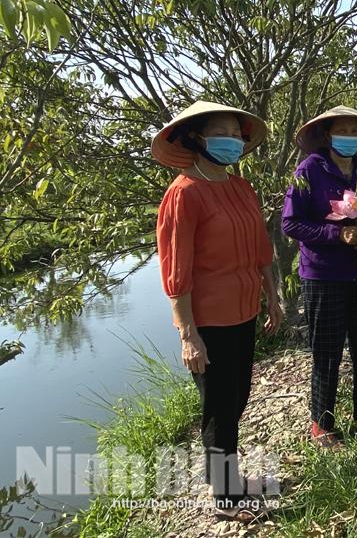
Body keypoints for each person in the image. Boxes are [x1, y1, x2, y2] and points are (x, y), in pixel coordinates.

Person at [152, 101, 281, 522]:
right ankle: (226, 497)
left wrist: (273, 296)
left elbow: (261, 248)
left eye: (236, 133)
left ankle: (226, 478)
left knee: (239, 394)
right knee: (219, 407)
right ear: (196, 138)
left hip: (243, 310)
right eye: (221, 131)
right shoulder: (183, 193)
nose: (232, 139)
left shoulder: (240, 187)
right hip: (208, 319)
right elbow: (177, 270)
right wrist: (187, 333)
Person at [281, 106, 357, 450]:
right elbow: (291, 223)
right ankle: (322, 423)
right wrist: (336, 235)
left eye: (354, 132)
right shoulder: (310, 170)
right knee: (327, 351)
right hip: (323, 276)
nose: (349, 137)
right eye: (342, 131)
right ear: (328, 136)